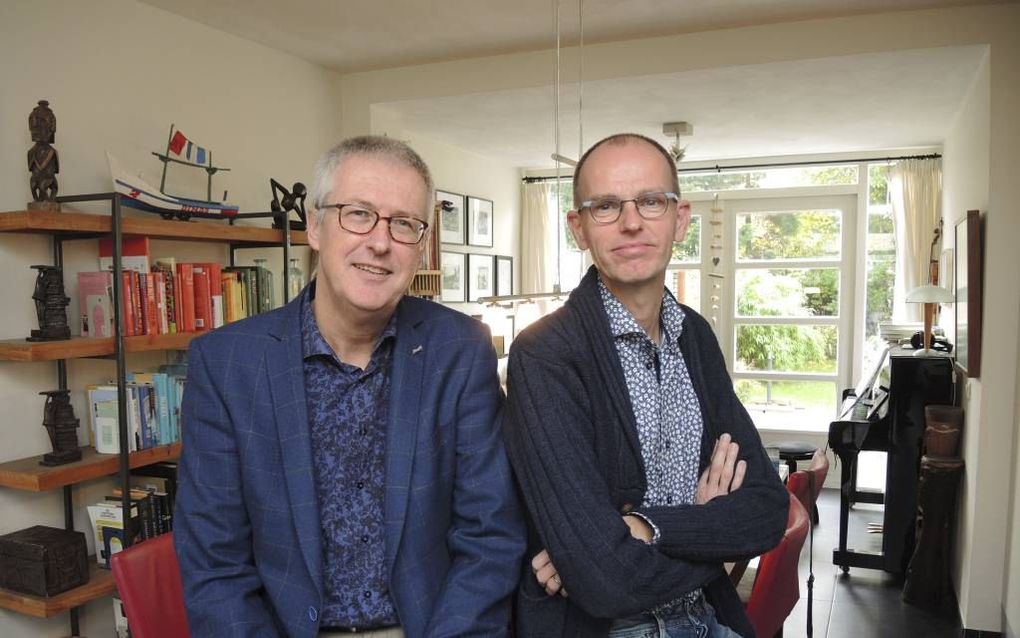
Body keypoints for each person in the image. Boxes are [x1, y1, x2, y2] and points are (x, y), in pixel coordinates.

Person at [174, 136, 525, 638]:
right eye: (358, 214)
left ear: (421, 246)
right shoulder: (227, 364)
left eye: (403, 223)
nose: (380, 242)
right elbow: (214, 563)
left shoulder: (460, 349)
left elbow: (489, 536)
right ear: (315, 226)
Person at [502, 133, 789, 637]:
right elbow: (603, 580)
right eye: (606, 206)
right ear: (579, 228)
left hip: (709, 618)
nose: (631, 222)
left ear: (680, 220)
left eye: (651, 201)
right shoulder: (545, 355)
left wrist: (649, 527)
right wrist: (717, 542)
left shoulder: (694, 335)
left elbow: (768, 509)